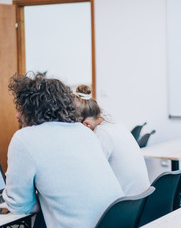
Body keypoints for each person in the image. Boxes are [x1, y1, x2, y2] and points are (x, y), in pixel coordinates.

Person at [3, 73, 124, 227]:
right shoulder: (83, 131)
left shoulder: (24, 138)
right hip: (116, 221)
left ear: (32, 109)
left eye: (21, 108)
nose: (17, 115)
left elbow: (19, 205)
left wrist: (46, 200)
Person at [73, 85, 150, 196]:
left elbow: (90, 173)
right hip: (141, 199)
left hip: (126, 203)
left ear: (86, 124)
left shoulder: (102, 133)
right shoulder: (116, 125)